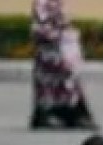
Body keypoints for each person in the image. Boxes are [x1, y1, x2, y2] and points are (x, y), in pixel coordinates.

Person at [29, 0, 97, 130]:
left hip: (64, 47)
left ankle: (71, 112)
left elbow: (64, 20)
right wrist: (53, 36)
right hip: (51, 50)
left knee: (70, 81)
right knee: (49, 84)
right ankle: (46, 114)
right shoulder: (42, 3)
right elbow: (40, 26)